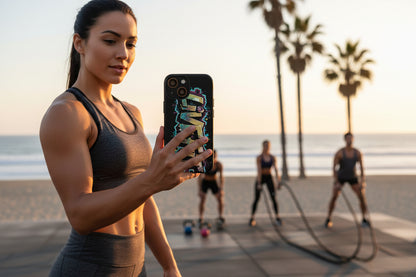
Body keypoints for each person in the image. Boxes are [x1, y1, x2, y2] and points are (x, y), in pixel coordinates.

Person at [39, 1, 212, 276]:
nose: (123, 53)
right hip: (88, 267)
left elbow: (142, 199)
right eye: (110, 41)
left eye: (131, 44)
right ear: (79, 43)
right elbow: (80, 215)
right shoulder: (67, 113)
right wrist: (152, 180)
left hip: (137, 267)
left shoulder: (131, 112)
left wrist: (169, 265)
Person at [325, 132, 370, 228]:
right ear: (345, 140)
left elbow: (362, 168)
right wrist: (336, 182)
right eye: (347, 138)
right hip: (341, 177)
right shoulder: (340, 153)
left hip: (353, 177)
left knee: (361, 197)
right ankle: (328, 218)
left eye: (351, 138)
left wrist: (363, 181)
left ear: (353, 139)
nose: (349, 140)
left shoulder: (357, 153)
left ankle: (364, 218)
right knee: (334, 197)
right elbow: (334, 168)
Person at [249, 140, 282, 227]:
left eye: (268, 146)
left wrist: (278, 181)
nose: (267, 147)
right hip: (261, 177)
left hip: (269, 177)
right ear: (262, 146)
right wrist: (259, 183)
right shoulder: (259, 157)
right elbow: (259, 170)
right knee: (257, 198)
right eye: (265, 146)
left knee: (273, 197)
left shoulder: (272, 157)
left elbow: (276, 169)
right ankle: (252, 217)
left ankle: (277, 217)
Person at [197, 150, 225, 225]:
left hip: (214, 182)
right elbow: (200, 177)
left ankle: (220, 216)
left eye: (215, 156)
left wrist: (221, 189)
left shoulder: (219, 165)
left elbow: (221, 177)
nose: (214, 158)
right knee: (202, 199)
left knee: (220, 199)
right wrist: (199, 190)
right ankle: (200, 218)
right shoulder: (205, 163)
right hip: (205, 182)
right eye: (212, 156)